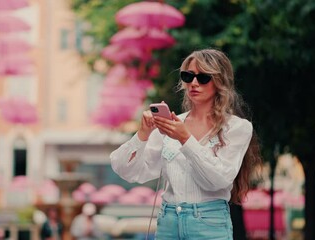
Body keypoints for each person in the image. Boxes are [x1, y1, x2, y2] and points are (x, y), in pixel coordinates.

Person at [110, 49, 262, 239]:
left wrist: (185, 140)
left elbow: (219, 180)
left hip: (209, 223)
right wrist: (142, 135)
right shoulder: (171, 125)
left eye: (203, 77)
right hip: (168, 222)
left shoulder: (237, 128)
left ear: (219, 82)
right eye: (188, 76)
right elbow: (126, 170)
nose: (194, 83)